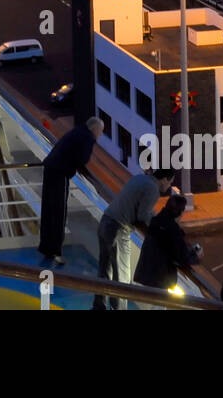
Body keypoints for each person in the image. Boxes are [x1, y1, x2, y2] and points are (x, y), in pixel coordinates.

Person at [92, 168, 176, 310]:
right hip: (118, 230)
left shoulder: (138, 178)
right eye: (170, 183)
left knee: (104, 271)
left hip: (105, 222)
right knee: (122, 278)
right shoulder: (153, 189)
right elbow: (143, 215)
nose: (168, 187)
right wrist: (159, 223)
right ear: (164, 179)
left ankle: (98, 306)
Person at [38, 117, 103, 265]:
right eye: (101, 131)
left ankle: (46, 247)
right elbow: (82, 159)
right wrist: (92, 178)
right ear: (95, 129)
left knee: (49, 210)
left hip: (50, 168)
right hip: (60, 173)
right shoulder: (88, 138)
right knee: (59, 212)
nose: (101, 134)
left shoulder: (78, 131)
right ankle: (55, 251)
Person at [132, 194, 203, 307]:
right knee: (159, 306)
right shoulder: (173, 231)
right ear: (180, 213)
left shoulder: (155, 221)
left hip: (144, 273)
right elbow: (181, 257)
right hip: (160, 280)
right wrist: (196, 256)